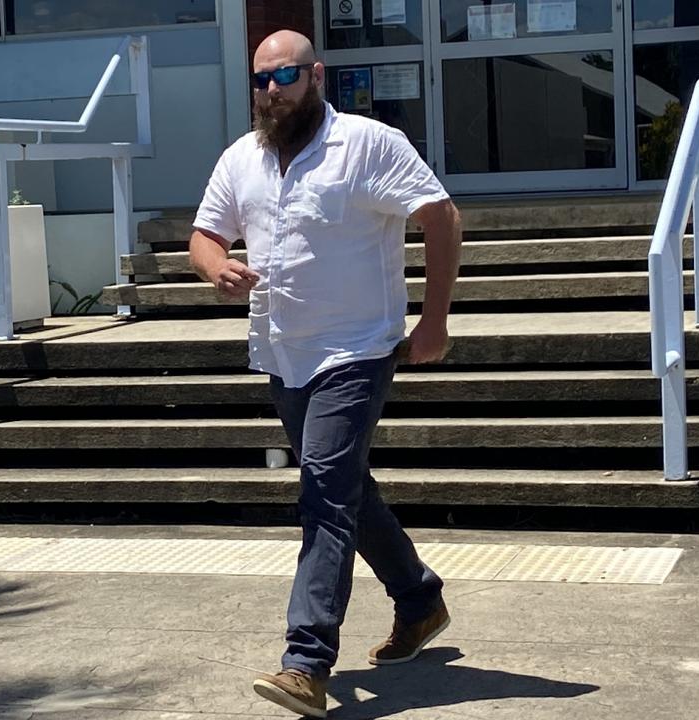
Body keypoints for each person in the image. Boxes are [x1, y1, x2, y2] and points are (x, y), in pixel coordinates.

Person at [189, 29, 462, 718]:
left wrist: (433, 321)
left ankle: (305, 661)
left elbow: (441, 216)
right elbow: (205, 233)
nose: (272, 92)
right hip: (283, 352)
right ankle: (419, 599)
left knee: (323, 498)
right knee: (344, 491)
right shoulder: (242, 158)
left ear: (316, 75)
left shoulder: (369, 143)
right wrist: (214, 265)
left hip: (357, 350)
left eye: (285, 77)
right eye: (261, 80)